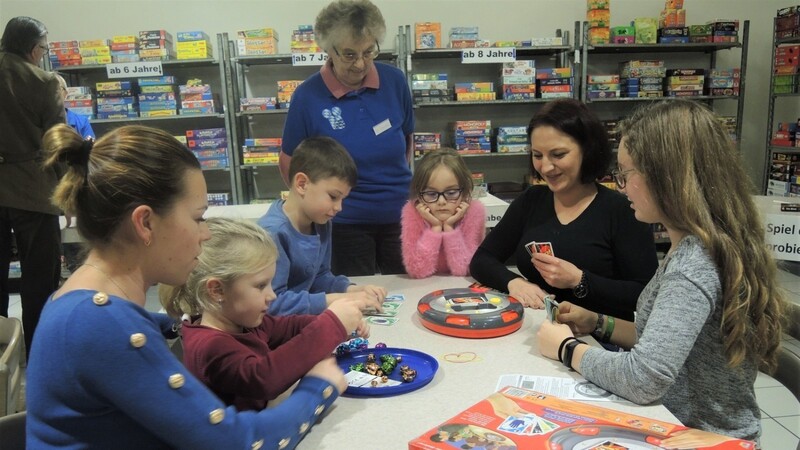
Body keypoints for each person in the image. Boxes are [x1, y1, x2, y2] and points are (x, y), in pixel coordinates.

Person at [27, 124, 349, 449]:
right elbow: (237, 443)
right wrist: (318, 388)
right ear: (145, 223)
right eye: (198, 218)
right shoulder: (100, 323)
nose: (205, 234)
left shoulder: (81, 301)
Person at [537, 100, 788, 444]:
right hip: (677, 424)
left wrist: (566, 348)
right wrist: (597, 322)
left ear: (666, 177)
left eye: (626, 174)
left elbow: (644, 377)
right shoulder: (696, 244)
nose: (621, 186)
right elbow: (662, 342)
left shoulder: (693, 264)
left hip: (705, 437)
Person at [161, 217, 376, 411]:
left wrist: (341, 327)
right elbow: (264, 377)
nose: (272, 295)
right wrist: (332, 325)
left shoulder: (243, 322)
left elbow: (289, 326)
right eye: (260, 286)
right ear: (217, 290)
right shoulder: (209, 347)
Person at [469, 99, 657, 321]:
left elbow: (646, 295)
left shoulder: (623, 210)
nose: (546, 167)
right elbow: (482, 259)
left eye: (558, 155)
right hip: (537, 330)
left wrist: (579, 280)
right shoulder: (532, 200)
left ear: (587, 150)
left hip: (600, 343)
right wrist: (514, 282)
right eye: (537, 155)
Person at [281, 0, 415, 276]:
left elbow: (407, 141)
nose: (361, 64)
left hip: (402, 217)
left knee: (407, 294)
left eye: (369, 52)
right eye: (349, 55)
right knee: (356, 299)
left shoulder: (395, 81)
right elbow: (289, 163)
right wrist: (317, 208)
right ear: (328, 50)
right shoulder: (307, 96)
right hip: (343, 223)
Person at [258, 136, 387, 315]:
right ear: (302, 184)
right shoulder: (272, 233)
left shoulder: (321, 222)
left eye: (342, 199)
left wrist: (351, 290)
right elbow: (270, 304)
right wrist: (335, 300)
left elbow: (319, 277)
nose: (339, 207)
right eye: (333, 197)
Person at [0, 16, 65, 357]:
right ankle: (39, 350)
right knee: (39, 277)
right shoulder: (43, 82)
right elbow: (58, 143)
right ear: (32, 48)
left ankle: (1, 351)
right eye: (43, 47)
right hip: (33, 189)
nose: (43, 53)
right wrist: (68, 192)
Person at [401, 148, 486, 278]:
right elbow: (417, 270)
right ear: (419, 193)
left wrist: (449, 229)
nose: (441, 201)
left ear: (464, 192)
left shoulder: (474, 212)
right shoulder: (412, 212)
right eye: (431, 194)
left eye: (451, 193)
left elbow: (466, 269)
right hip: (423, 287)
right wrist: (435, 228)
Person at [54, 73, 95, 140]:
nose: (52, 94)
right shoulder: (37, 123)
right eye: (48, 90)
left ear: (66, 94)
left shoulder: (82, 122)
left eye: (57, 88)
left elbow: (91, 149)